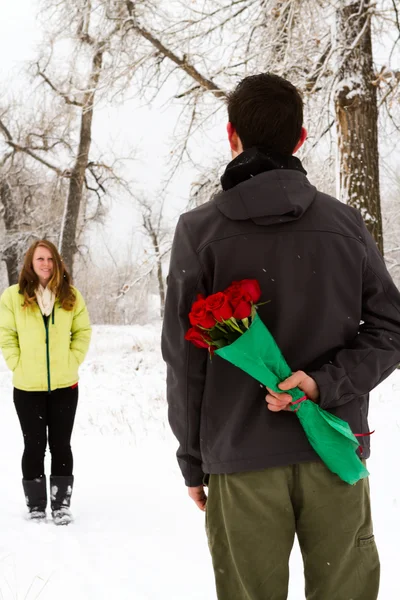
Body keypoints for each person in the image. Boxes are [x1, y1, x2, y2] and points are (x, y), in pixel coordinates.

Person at [161, 73, 400, 599]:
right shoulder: (345, 225)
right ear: (301, 138)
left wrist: (193, 460)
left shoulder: (198, 233)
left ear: (232, 137)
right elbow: (390, 329)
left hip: (240, 457)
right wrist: (324, 384)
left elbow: (184, 360)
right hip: (334, 454)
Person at [0, 240, 91, 525]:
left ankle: (61, 504)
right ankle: (37, 504)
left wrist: (72, 360)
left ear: (57, 263)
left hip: (65, 386)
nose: (46, 264)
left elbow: (83, 332)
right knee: (34, 445)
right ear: (30, 262)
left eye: (50, 259)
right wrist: (17, 363)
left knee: (61, 445)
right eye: (40, 259)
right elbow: (6, 334)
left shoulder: (71, 296)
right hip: (27, 388)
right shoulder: (13, 297)